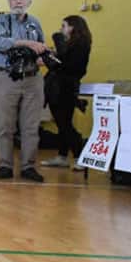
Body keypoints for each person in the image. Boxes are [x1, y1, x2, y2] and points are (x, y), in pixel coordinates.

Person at [0, 0, 50, 182]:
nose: (18, 1)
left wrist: (45, 55)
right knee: (5, 126)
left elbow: (40, 47)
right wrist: (25, 43)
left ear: (29, 1)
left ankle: (28, 167)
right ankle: (5, 165)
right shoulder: (0, 21)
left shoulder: (35, 22)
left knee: (31, 127)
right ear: (9, 1)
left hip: (33, 78)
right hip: (6, 77)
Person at [41, 15, 92, 168]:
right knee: (62, 122)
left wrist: (56, 41)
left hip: (65, 89)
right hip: (57, 87)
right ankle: (62, 156)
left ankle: (80, 156)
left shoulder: (80, 45)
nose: (61, 29)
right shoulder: (70, 45)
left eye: (64, 26)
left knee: (64, 123)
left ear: (73, 27)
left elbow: (66, 65)